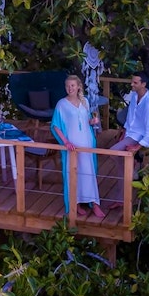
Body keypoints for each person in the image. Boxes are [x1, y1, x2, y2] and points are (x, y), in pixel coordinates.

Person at [51, 74, 105, 218]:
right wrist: (66, 142)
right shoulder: (61, 104)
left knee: (89, 173)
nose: (70, 88)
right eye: (68, 86)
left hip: (86, 143)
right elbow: (56, 126)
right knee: (73, 173)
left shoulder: (85, 101)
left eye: (73, 85)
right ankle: (76, 203)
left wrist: (93, 122)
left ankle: (94, 203)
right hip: (72, 145)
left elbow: (86, 121)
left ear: (78, 87)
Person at [106, 73, 149, 209]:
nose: (131, 84)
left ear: (143, 84)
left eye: (135, 83)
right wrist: (124, 132)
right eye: (132, 82)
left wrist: (137, 147)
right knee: (121, 168)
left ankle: (130, 168)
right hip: (131, 133)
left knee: (113, 152)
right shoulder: (135, 96)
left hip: (138, 137)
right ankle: (129, 171)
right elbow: (130, 118)